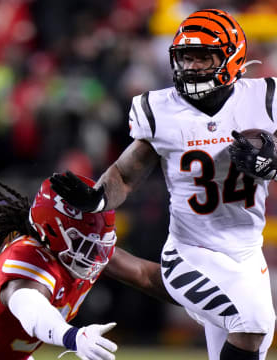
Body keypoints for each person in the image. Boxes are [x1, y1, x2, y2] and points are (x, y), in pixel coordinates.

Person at [50, 8, 277, 360]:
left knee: (251, 342)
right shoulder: (160, 109)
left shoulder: (264, 99)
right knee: (253, 322)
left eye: (204, 56)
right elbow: (126, 175)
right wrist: (96, 198)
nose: (192, 66)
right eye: (186, 57)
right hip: (191, 252)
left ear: (233, 56)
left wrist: (272, 165)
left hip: (247, 253)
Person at [0, 173, 172, 360]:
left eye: (100, 242)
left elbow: (145, 275)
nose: (97, 255)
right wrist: (71, 336)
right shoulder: (26, 258)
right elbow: (32, 309)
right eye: (85, 243)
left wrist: (201, 296)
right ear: (53, 230)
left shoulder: (84, 250)